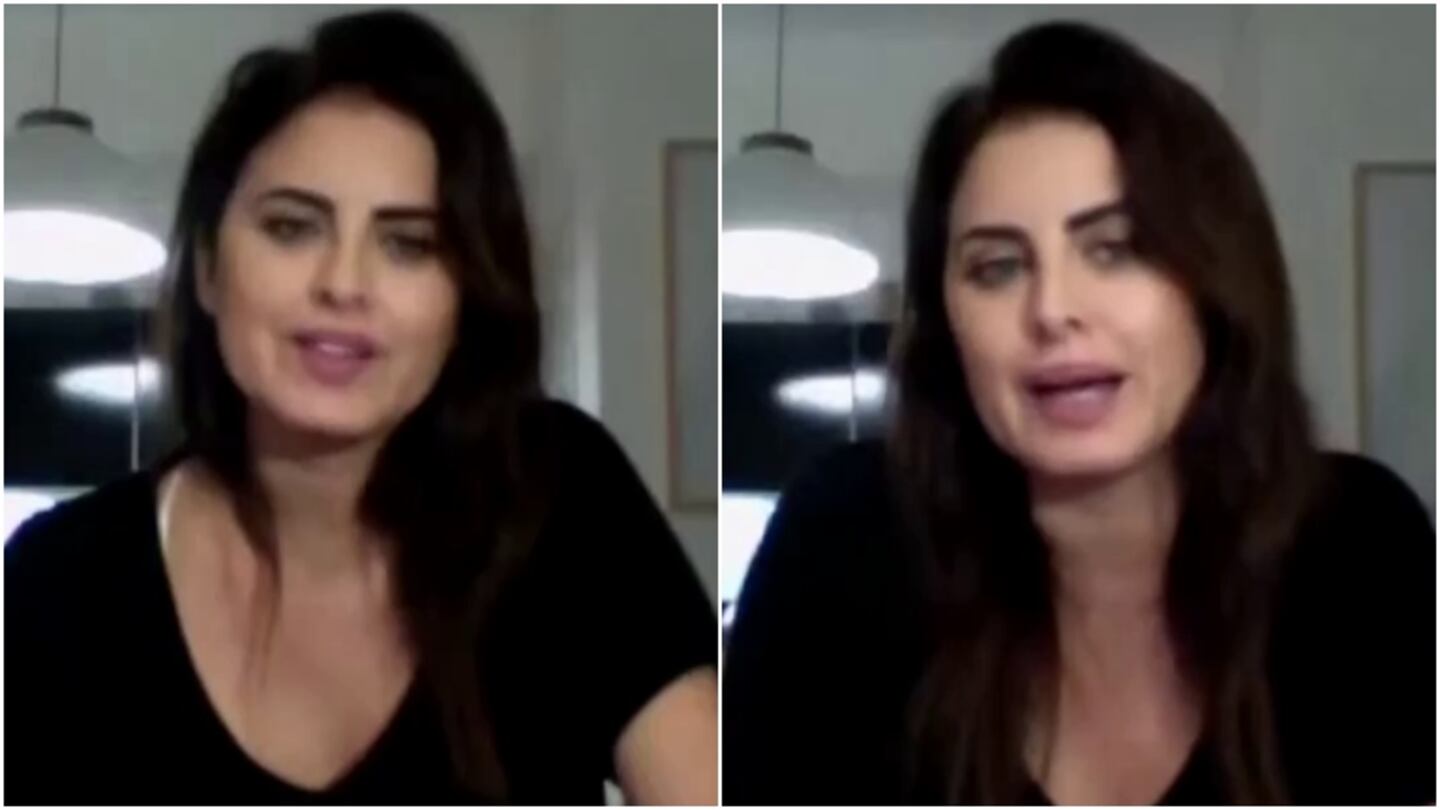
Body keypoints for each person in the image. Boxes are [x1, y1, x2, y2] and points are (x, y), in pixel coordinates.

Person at [6, 10, 717, 805]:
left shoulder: (560, 497)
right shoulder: (56, 585)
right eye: (292, 228)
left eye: (408, 243)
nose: (344, 284)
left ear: (466, 294)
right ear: (207, 267)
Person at [723, 20, 1434, 806]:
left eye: (1116, 249)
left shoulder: (1359, 551)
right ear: (947, 324)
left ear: (1213, 286)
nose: (1052, 310)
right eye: (997, 267)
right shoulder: (844, 542)